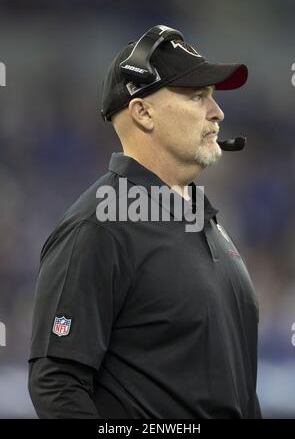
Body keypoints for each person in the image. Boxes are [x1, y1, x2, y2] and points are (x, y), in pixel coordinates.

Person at [28, 25, 262, 419]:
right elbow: (56, 382)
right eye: (197, 96)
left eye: (214, 98)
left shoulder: (209, 225)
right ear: (143, 111)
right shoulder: (99, 226)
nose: (217, 112)